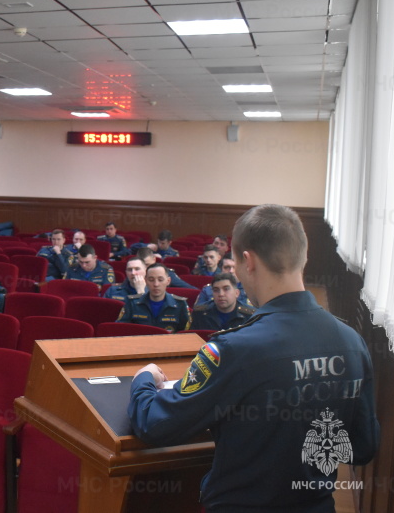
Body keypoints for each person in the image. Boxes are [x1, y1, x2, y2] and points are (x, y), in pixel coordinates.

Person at [128, 204, 379, 512]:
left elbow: (155, 425)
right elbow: (362, 447)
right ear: (304, 255)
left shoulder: (233, 348)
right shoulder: (352, 343)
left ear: (247, 261)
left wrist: (144, 379)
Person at [116, 263, 190, 332]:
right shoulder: (132, 303)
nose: (156, 284)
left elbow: (186, 334)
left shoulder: (180, 304)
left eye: (160, 280)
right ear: (146, 281)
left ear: (168, 281)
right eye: (151, 280)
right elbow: (120, 329)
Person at [190, 273, 255, 331]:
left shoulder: (250, 316)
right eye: (216, 290)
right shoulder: (199, 313)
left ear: (236, 293)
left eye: (226, 289)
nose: (221, 294)